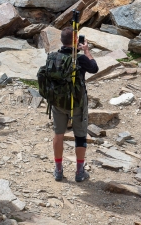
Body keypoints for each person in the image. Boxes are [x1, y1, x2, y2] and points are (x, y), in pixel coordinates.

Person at [51, 27, 98, 182]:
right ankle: (79, 172)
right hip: (77, 102)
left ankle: (58, 170)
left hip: (58, 101)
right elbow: (94, 68)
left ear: (62, 41)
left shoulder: (53, 57)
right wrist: (86, 50)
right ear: (76, 41)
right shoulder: (80, 59)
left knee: (59, 134)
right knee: (80, 135)